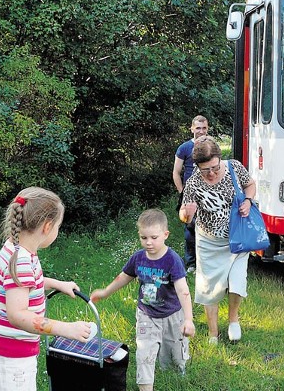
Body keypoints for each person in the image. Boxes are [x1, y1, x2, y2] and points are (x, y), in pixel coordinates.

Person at [0, 187, 92, 391]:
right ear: (47, 227)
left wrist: (58, 284)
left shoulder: (18, 249)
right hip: (8, 358)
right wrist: (65, 328)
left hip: (6, 353)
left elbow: (26, 283)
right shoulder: (20, 259)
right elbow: (18, 315)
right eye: (58, 226)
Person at [90, 209, 195, 391]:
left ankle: (177, 376)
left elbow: (182, 289)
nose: (148, 242)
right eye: (143, 237)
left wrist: (188, 319)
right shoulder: (138, 258)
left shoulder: (172, 260)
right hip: (147, 315)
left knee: (174, 356)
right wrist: (106, 292)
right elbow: (124, 276)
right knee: (144, 353)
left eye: (154, 237)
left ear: (165, 235)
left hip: (173, 315)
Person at [179, 136, 256, 344]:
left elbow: (250, 185)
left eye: (214, 167)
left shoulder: (234, 168)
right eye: (205, 170)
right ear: (197, 167)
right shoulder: (194, 181)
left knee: (237, 281)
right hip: (209, 242)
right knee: (208, 287)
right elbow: (183, 215)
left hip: (237, 238)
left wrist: (248, 201)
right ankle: (213, 333)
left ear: (219, 159)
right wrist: (187, 213)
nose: (211, 173)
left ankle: (233, 320)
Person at [172, 115, 209, 273]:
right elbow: (176, 172)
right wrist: (182, 193)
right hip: (190, 197)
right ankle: (191, 264)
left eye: (204, 128)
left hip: (208, 195)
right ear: (192, 129)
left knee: (208, 229)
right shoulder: (184, 148)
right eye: (198, 128)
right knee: (190, 230)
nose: (201, 131)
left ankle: (206, 263)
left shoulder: (211, 147)